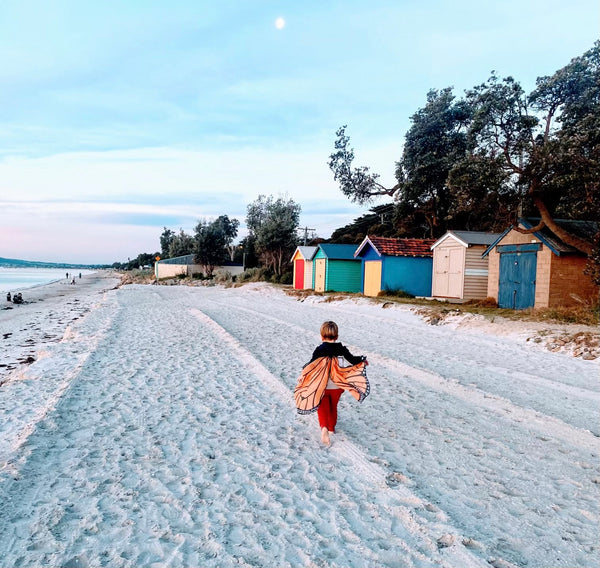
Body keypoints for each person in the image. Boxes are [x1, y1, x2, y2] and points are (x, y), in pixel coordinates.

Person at [294, 320, 369, 445]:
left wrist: (303, 375)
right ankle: (332, 429)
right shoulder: (342, 349)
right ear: (337, 336)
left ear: (322, 336)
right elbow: (353, 360)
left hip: (322, 384)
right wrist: (362, 359)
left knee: (322, 406)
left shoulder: (319, 350)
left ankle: (324, 428)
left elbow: (311, 365)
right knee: (333, 406)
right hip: (338, 385)